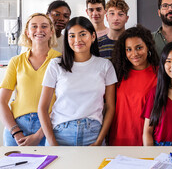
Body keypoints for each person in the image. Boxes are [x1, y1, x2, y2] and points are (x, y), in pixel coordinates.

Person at [38, 16, 117, 146]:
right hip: (60, 133)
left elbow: (110, 107)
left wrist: (99, 141)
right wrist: (52, 143)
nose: (77, 40)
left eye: (82, 34)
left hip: (93, 133)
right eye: (72, 36)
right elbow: (42, 108)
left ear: (92, 36)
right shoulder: (56, 65)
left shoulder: (105, 65)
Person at [0, 13, 60, 146]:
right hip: (17, 126)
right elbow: (2, 101)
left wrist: (39, 135)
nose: (39, 30)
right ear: (27, 32)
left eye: (44, 26)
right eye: (34, 26)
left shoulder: (60, 60)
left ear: (51, 32)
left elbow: (63, 102)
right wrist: (16, 132)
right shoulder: (16, 61)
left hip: (49, 128)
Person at [109, 24, 159, 146]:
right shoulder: (117, 73)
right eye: (129, 49)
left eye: (139, 47)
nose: (134, 54)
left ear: (148, 47)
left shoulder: (160, 74)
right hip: (117, 139)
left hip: (146, 140)